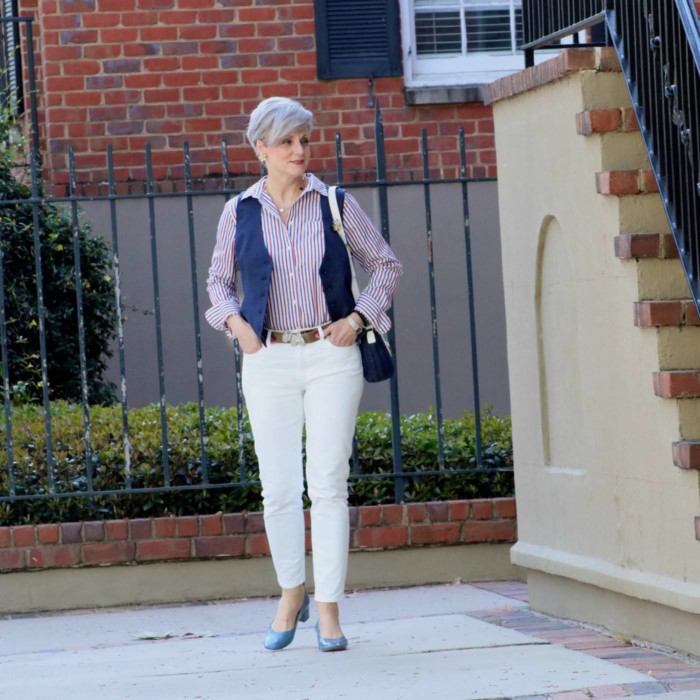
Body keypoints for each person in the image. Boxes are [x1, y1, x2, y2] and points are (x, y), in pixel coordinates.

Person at [205, 96, 402, 652]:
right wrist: (237, 327)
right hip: (267, 360)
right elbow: (218, 284)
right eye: (287, 142)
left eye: (304, 141)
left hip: (329, 356)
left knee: (328, 484)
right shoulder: (238, 211)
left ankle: (329, 608)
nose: (299, 151)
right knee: (279, 488)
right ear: (260, 148)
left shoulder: (333, 203)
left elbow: (385, 264)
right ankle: (291, 593)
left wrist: (360, 316)